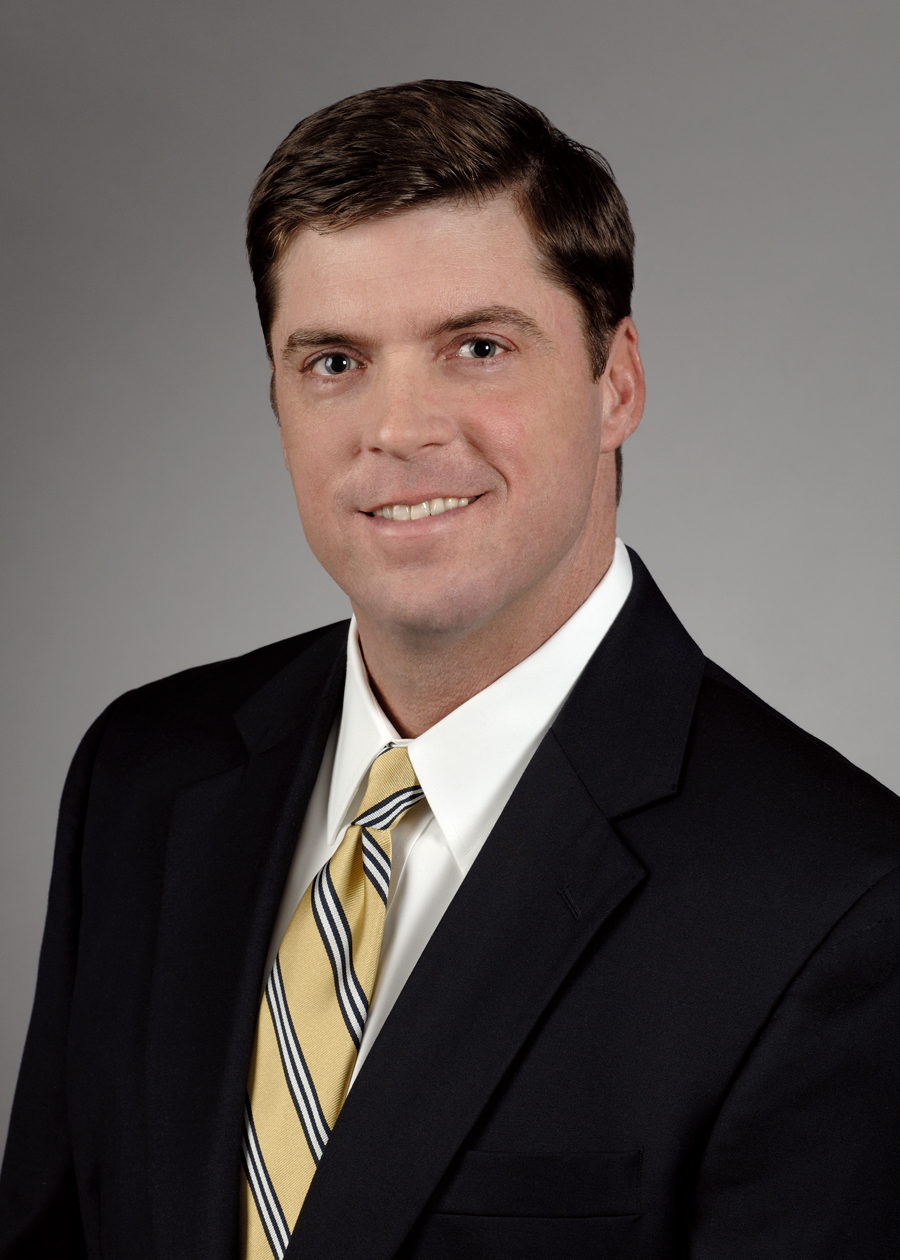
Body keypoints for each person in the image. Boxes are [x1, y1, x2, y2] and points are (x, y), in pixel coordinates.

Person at [1, 79, 899, 1260]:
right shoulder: (143, 773)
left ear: (617, 382)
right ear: (276, 398)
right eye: (334, 361)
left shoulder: (836, 902)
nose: (400, 429)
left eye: (478, 348)